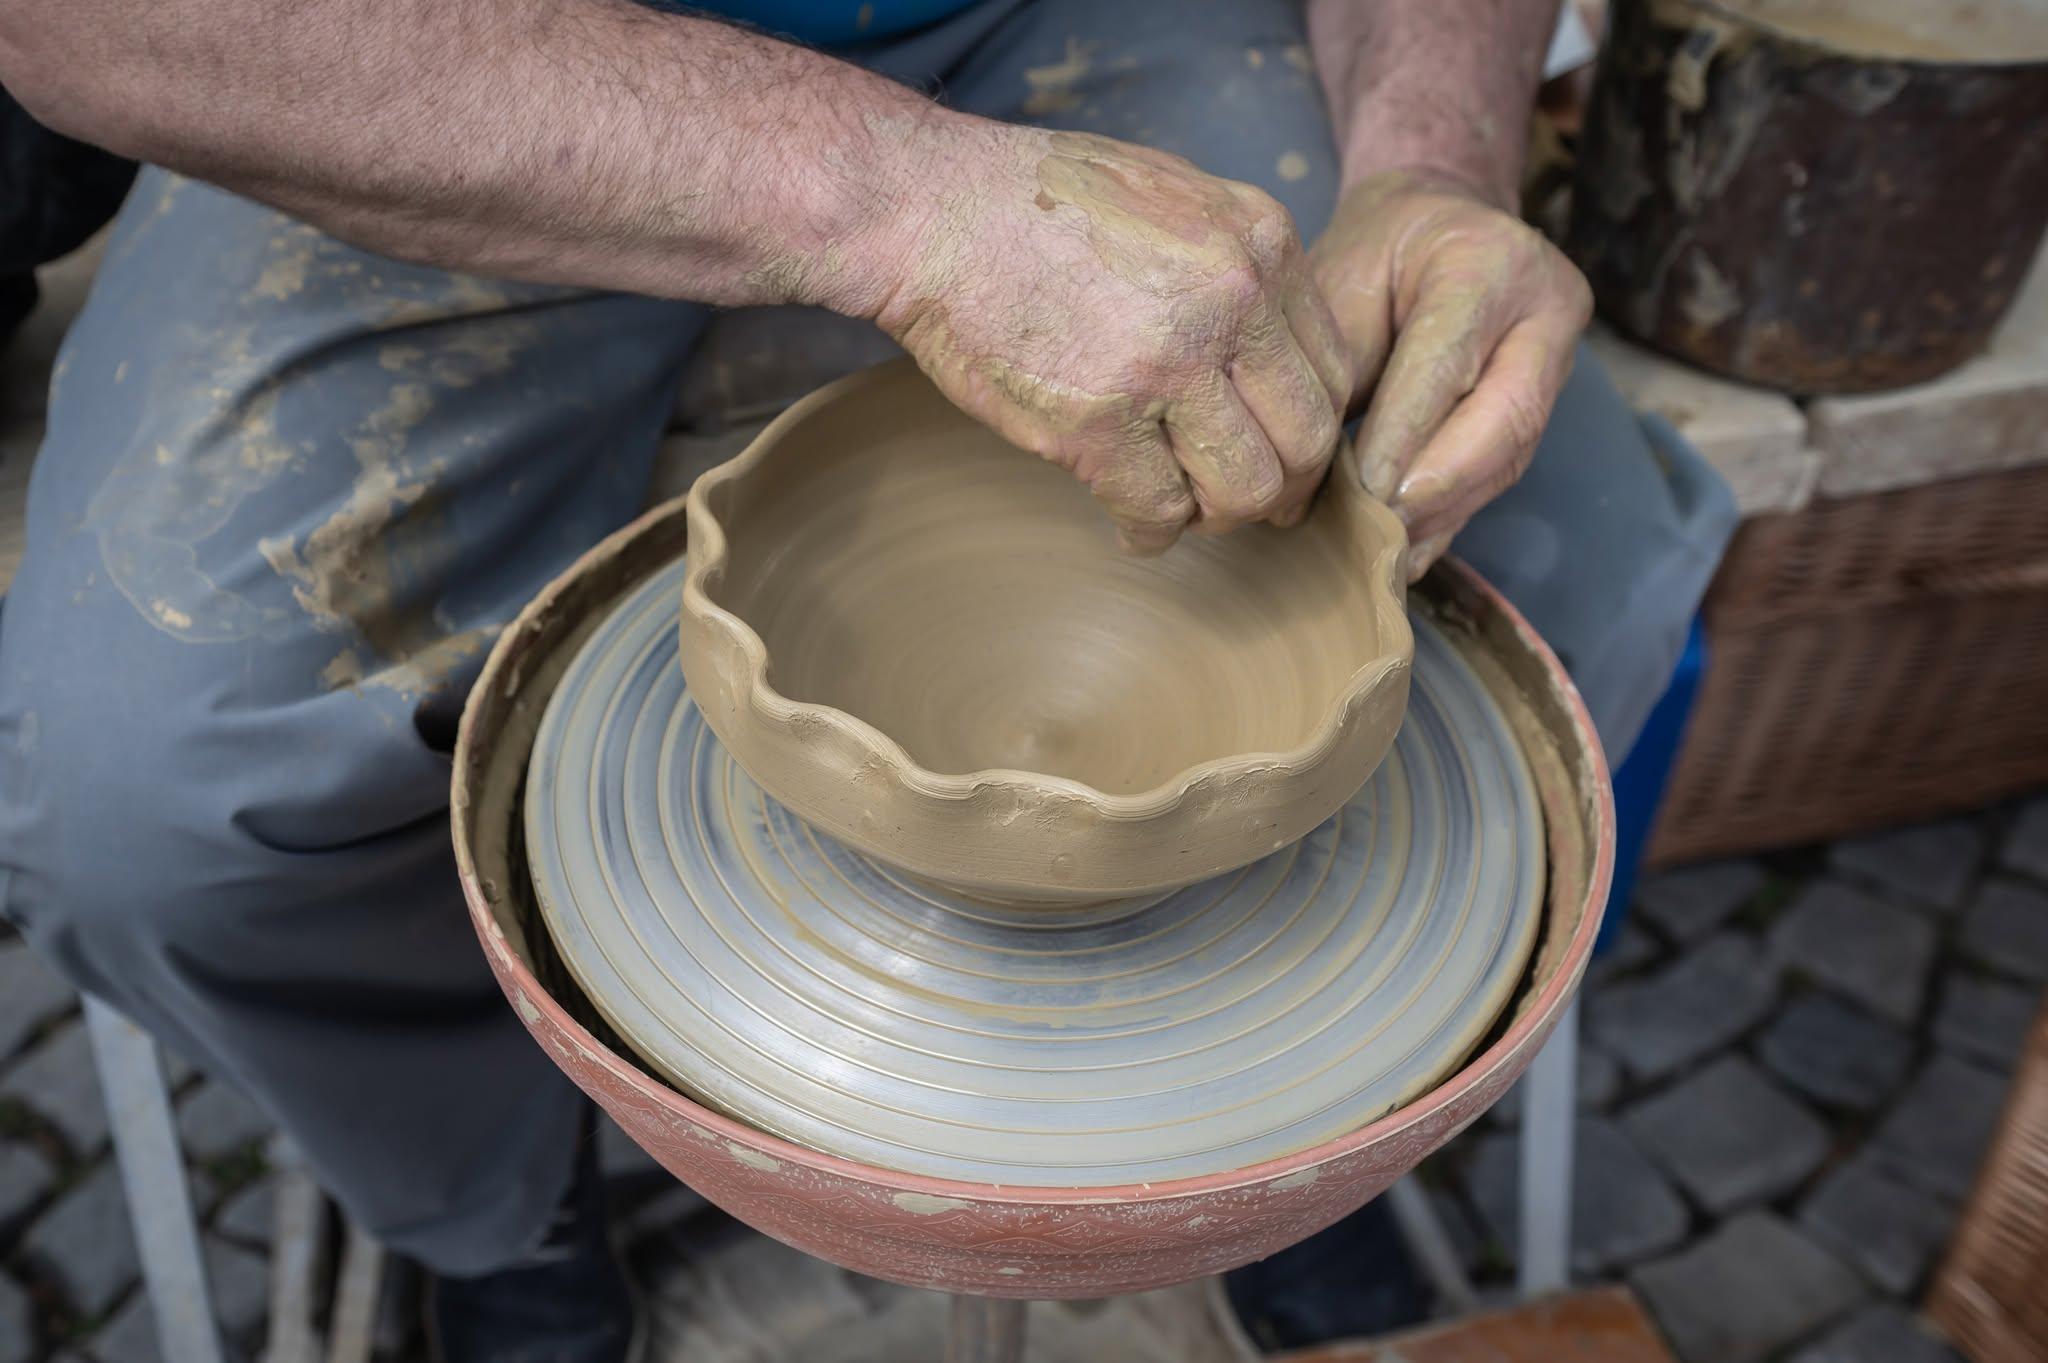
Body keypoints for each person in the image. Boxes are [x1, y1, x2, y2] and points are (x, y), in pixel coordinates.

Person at [0, 1, 1735, 1358]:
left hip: (1087, 16)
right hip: (430, 55)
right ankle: (489, 1201)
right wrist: (889, 202)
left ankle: (1276, 1144)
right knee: (146, 802)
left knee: (1567, 565)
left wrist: (1435, 161)